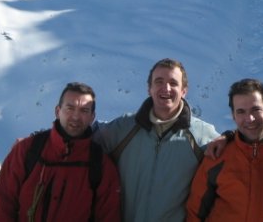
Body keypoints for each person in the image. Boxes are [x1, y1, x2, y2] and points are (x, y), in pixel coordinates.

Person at [92, 58, 220, 222]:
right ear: (149, 89)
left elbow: (235, 153)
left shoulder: (200, 134)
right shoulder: (125, 128)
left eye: (173, 83)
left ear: (184, 91)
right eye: (159, 81)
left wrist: (228, 136)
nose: (166, 88)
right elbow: (83, 139)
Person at [0, 82, 121, 221]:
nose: (76, 117)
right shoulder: (27, 151)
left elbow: (108, 216)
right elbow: (3, 206)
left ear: (92, 117)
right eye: (70, 108)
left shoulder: (101, 165)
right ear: (58, 111)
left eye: (84, 110)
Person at [186, 78, 263, 221]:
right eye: (241, 112)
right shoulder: (217, 156)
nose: (250, 118)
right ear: (234, 116)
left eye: (256, 109)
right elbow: (194, 211)